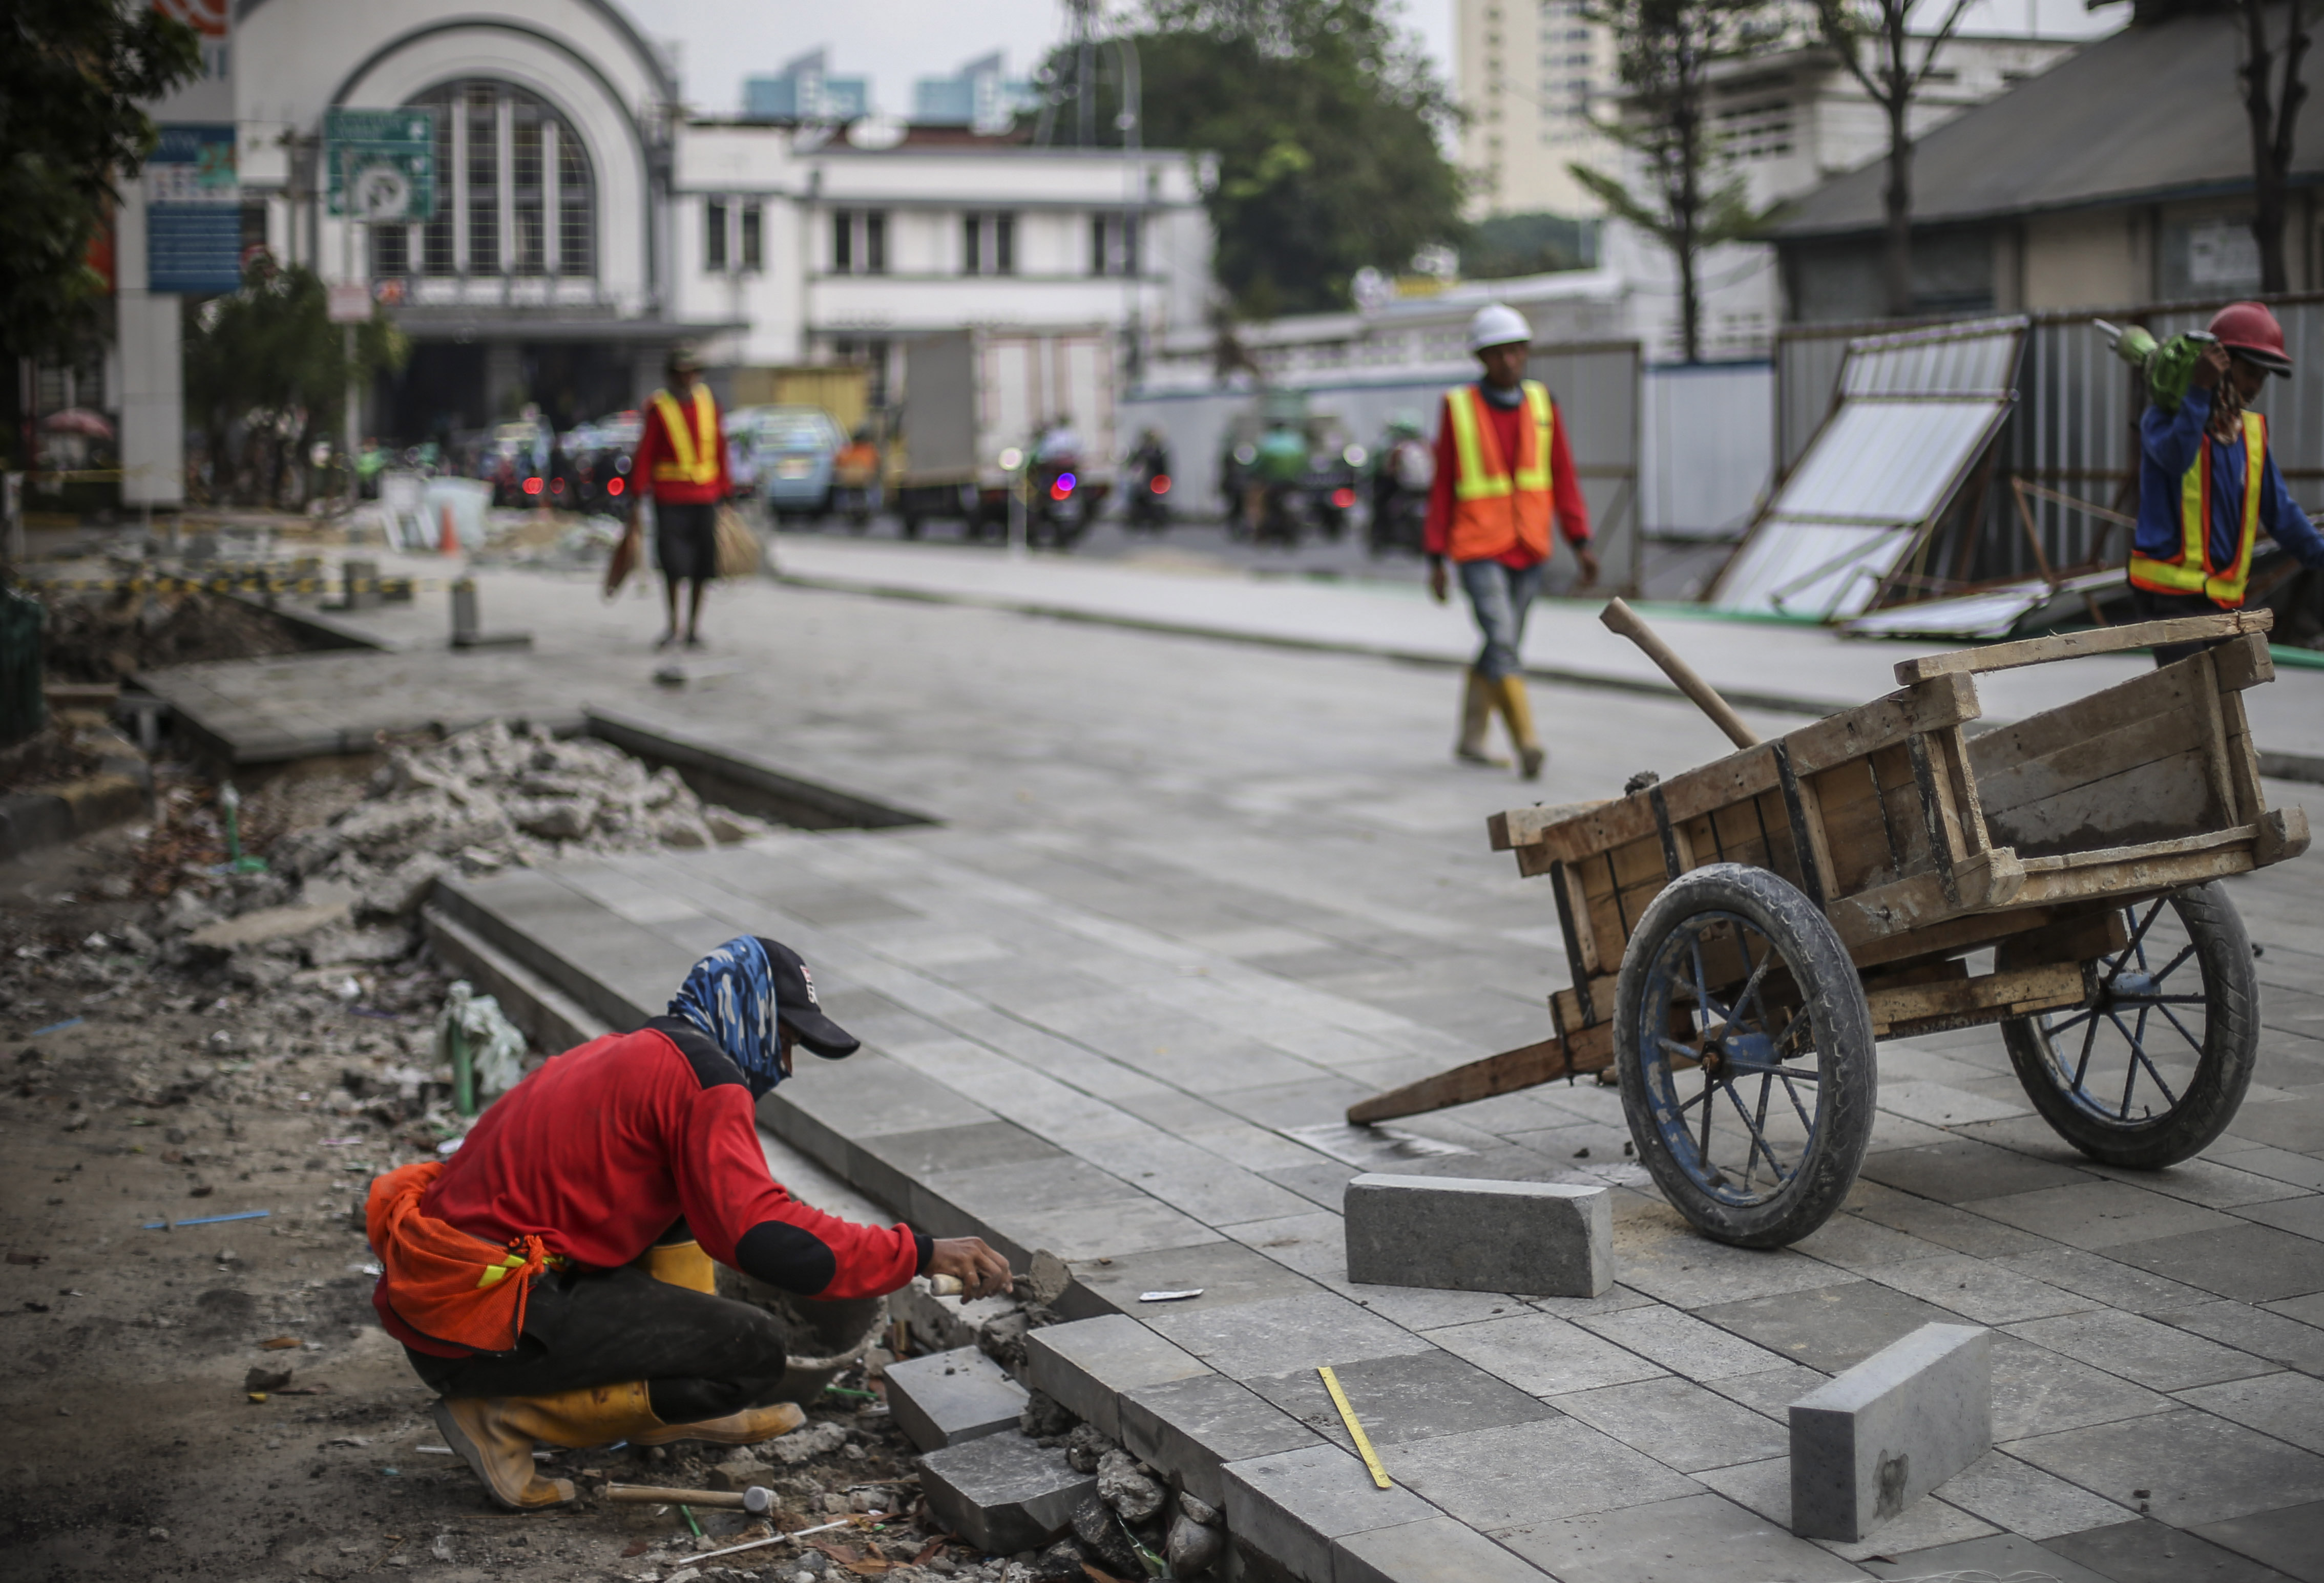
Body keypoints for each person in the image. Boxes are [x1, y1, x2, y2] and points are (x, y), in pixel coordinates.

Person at [365, 936, 1013, 1512]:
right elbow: (762, 1236)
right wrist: (918, 1253)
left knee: (683, 1202)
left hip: (447, 1309)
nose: (786, 1065)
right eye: (786, 1040)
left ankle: (656, 1413)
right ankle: (503, 1420)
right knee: (752, 1350)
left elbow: (723, 1210)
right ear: (746, 1011)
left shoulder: (630, 1053)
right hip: (481, 1328)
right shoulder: (707, 1079)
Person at [1423, 303, 1598, 779]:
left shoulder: (1542, 405)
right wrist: (1435, 556)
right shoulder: (1458, 408)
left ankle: (1470, 739)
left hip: (1529, 545)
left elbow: (1563, 476)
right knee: (1502, 640)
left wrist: (1580, 540)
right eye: (1497, 353)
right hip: (1477, 547)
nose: (1508, 361)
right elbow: (1443, 486)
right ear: (1481, 358)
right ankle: (1527, 742)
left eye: (1516, 351)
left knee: (1503, 644)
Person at [2130, 301, 2324, 666]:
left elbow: (2281, 514)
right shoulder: (2164, 418)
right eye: (2249, 372)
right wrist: (2198, 390)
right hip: (2169, 596)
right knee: (2192, 695)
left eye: (2262, 378)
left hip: (2223, 601)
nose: (2254, 386)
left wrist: (2319, 552)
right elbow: (2177, 457)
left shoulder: (2249, 434)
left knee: (2223, 697)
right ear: (2218, 363)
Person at [626, 345, 733, 649]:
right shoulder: (658, 408)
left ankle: (694, 629)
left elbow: (720, 449)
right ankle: (674, 625)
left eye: (692, 373)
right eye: (681, 374)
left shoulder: (710, 404)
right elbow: (646, 453)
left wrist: (726, 492)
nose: (687, 379)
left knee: (703, 566)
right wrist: (637, 495)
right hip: (670, 498)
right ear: (671, 376)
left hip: (706, 497)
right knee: (673, 565)